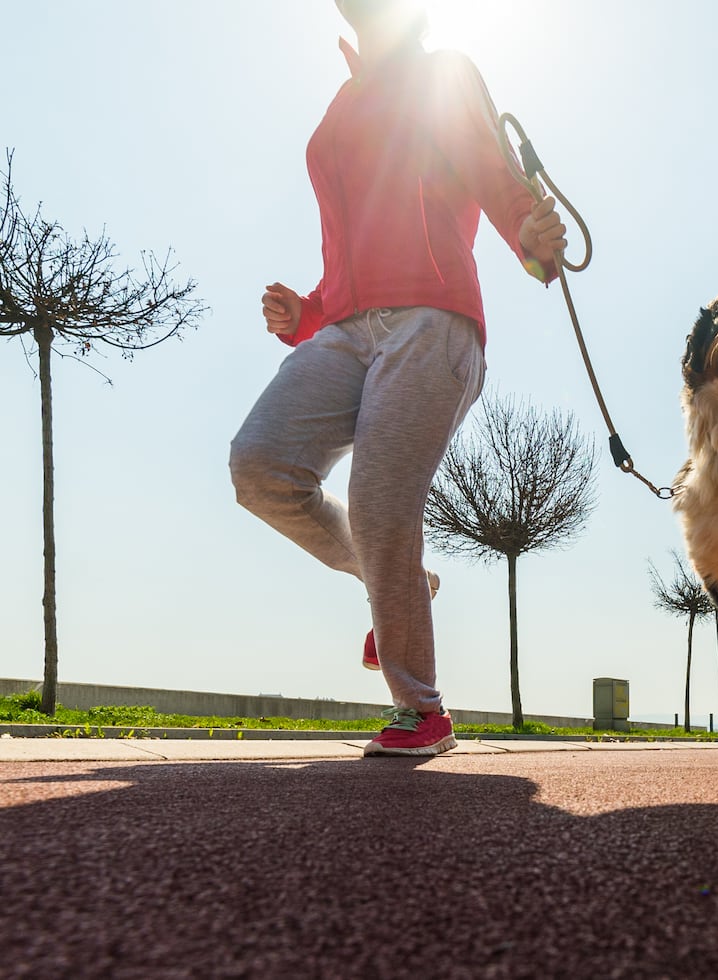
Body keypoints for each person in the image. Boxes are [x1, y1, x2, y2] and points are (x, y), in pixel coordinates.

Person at [229, 0, 567, 756]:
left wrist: (530, 236)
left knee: (381, 503)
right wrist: (308, 313)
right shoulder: (342, 100)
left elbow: (492, 170)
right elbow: (349, 245)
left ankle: (422, 710)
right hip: (347, 328)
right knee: (259, 465)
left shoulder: (442, 73)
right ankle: (399, 583)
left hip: (432, 319)